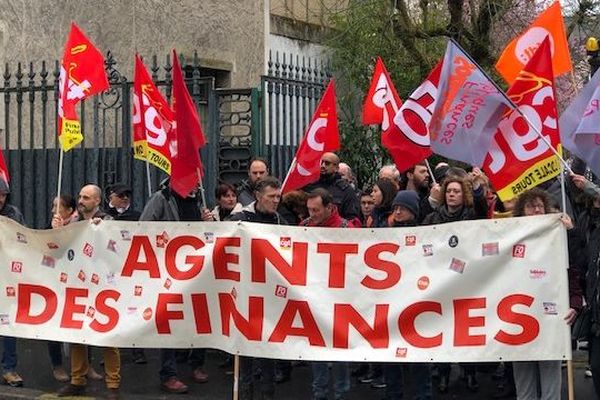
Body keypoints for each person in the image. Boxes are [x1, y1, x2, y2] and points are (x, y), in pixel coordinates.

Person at [139, 179, 211, 394]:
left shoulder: (197, 200)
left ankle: (195, 364)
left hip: (194, 269)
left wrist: (208, 222)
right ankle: (168, 374)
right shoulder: (161, 199)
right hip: (168, 270)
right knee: (169, 321)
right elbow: (143, 227)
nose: (195, 184)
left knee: (200, 316)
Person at [511, 188, 582, 400]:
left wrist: (575, 304)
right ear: (521, 211)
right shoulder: (510, 237)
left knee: (551, 383)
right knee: (524, 387)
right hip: (518, 318)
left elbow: (574, 270)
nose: (535, 210)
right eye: (530, 206)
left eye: (539, 206)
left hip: (550, 317)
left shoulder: (558, 235)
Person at [422, 173, 487, 393]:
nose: (451, 195)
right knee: (441, 329)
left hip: (466, 282)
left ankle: (469, 372)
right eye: (448, 191)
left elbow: (482, 209)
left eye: (456, 191)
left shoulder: (471, 216)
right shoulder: (433, 218)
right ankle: (443, 373)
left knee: (463, 330)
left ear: (464, 195)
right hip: (440, 283)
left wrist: (478, 186)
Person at [57, 184, 120, 400]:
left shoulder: (108, 221)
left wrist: (101, 231)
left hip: (103, 285)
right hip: (78, 284)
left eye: (87, 197)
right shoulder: (73, 222)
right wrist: (56, 228)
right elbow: (58, 247)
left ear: (97, 201)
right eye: (80, 196)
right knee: (77, 334)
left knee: (108, 335)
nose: (81, 200)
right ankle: (77, 379)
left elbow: (117, 247)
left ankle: (112, 384)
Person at [230, 176, 286, 399]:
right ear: (257, 196)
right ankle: (245, 393)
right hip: (245, 294)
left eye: (278, 196)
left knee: (268, 349)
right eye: (271, 196)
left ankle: (267, 394)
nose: (276, 201)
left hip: (269, 295)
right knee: (244, 351)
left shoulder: (281, 221)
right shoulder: (239, 220)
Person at [300, 188, 355, 400]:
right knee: (317, 348)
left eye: (316, 210)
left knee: (339, 347)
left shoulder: (346, 229)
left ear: (329, 208)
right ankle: (319, 392)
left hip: (339, 298)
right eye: (309, 210)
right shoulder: (304, 227)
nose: (311, 215)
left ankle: (342, 392)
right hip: (315, 297)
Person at [383, 190, 433, 400]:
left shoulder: (424, 235)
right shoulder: (385, 233)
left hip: (415, 303)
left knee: (417, 355)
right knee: (388, 353)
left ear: (413, 211)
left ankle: (423, 394)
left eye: (402, 208)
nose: (398, 212)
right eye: (395, 208)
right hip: (391, 304)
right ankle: (393, 393)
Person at [103, 183, 146, 364]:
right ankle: (111, 352)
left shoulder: (137, 216)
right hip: (109, 269)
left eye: (127, 194)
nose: (125, 198)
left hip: (131, 268)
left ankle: (138, 349)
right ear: (111, 197)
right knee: (110, 309)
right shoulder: (103, 217)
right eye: (121, 195)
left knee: (134, 308)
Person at [47, 195, 77, 383]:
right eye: (53, 206)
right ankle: (57, 365)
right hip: (55, 283)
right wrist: (54, 233)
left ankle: (83, 366)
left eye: (57, 206)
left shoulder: (80, 225)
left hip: (76, 282)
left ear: (69, 211)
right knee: (54, 324)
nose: (53, 210)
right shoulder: (48, 226)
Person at [0, 178, 24, 388]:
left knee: (7, 325)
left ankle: (9, 368)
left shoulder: (13, 213)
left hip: (7, 275)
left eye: (3, 194)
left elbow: (23, 238)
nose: (0, 199)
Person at [302, 152, 360, 222]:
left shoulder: (345, 189)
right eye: (321, 162)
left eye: (327, 163)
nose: (323, 166)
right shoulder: (309, 186)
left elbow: (352, 218)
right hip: (310, 230)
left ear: (336, 168)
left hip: (336, 230)